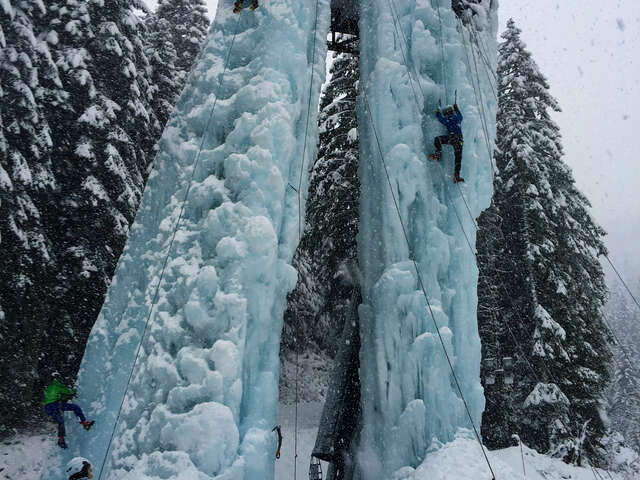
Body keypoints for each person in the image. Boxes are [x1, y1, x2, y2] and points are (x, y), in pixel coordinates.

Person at [43, 373, 94, 449]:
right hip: (55, 404)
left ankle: (61, 439)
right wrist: (74, 391)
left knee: (61, 421)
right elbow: (67, 391)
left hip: (47, 408)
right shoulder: (56, 384)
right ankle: (84, 423)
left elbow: (58, 395)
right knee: (75, 407)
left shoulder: (49, 388)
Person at [429, 103, 465, 183]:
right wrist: (457, 108)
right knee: (458, 158)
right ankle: (457, 175)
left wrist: (438, 112)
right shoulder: (457, 118)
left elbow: (441, 119)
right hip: (459, 140)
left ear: (446, 113)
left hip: (452, 138)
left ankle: (438, 154)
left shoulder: (447, 119)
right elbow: (460, 116)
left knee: (437, 139)